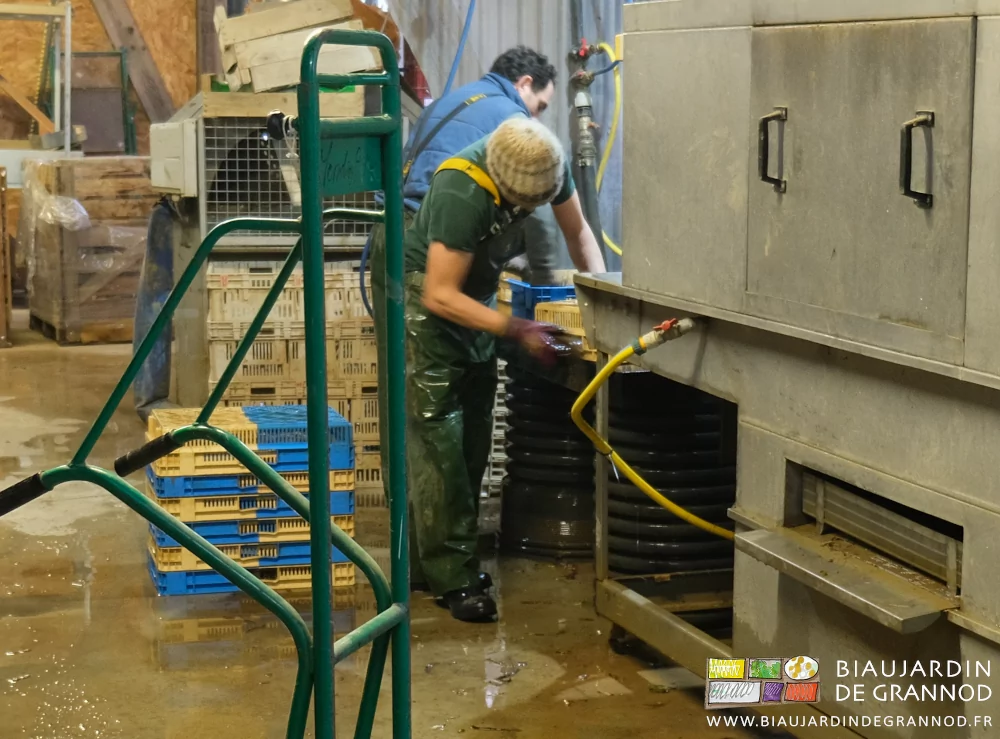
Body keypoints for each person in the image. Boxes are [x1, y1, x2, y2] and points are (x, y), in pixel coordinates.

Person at [372, 116, 605, 622]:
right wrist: (518, 329)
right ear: (503, 188)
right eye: (523, 207)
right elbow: (438, 294)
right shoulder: (463, 189)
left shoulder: (546, 162)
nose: (529, 213)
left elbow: (578, 232)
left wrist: (603, 310)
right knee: (439, 433)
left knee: (476, 425)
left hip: (468, 293)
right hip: (417, 288)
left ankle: (433, 558)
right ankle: (451, 577)